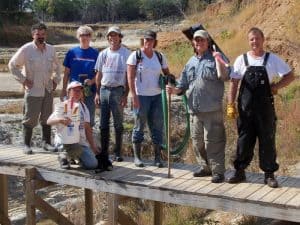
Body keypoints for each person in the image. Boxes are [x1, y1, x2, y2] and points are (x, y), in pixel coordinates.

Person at [226, 27, 295, 188]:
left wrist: (276, 86)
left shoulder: (272, 59)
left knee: (267, 140)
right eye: (251, 39)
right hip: (245, 110)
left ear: (263, 40)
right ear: (248, 41)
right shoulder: (241, 60)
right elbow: (234, 83)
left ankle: (269, 175)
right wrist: (230, 104)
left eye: (257, 38)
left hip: (265, 111)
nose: (254, 42)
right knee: (244, 141)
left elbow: (290, 76)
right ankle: (239, 172)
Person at [166, 30, 230, 183]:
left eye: (202, 40)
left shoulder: (217, 58)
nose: (199, 43)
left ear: (208, 42)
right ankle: (205, 167)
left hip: (212, 109)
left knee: (213, 141)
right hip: (194, 110)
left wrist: (218, 60)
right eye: (196, 40)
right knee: (197, 141)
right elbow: (183, 84)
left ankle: (218, 171)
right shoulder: (191, 62)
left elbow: (225, 77)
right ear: (193, 43)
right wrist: (174, 90)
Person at [8, 22, 61, 154]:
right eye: (38, 34)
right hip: (33, 91)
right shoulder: (26, 49)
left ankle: (46, 143)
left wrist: (56, 80)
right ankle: (26, 145)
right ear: (33, 35)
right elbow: (12, 65)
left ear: (46, 35)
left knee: (47, 117)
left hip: (47, 89)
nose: (41, 36)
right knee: (30, 118)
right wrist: (24, 80)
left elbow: (58, 67)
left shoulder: (51, 49)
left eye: (43, 34)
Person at [127, 30, 171, 168]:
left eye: (151, 40)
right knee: (139, 125)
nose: (148, 42)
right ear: (143, 40)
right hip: (141, 96)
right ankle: (137, 158)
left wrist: (169, 81)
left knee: (157, 127)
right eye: (146, 39)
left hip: (157, 96)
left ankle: (157, 158)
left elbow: (167, 73)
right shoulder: (135, 56)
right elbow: (130, 77)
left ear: (154, 41)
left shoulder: (159, 56)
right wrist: (133, 96)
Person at [94, 26, 131, 162]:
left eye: (115, 35)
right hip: (104, 90)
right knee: (103, 124)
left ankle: (117, 153)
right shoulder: (103, 54)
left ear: (120, 37)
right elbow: (98, 74)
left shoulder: (126, 53)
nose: (112, 38)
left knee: (118, 123)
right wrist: (97, 93)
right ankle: (104, 152)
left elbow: (129, 76)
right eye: (110, 36)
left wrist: (126, 95)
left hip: (118, 90)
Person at [47, 81, 100, 169]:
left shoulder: (84, 107)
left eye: (80, 91)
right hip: (65, 142)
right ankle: (63, 155)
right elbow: (49, 121)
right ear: (68, 92)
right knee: (74, 149)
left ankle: (73, 156)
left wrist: (93, 146)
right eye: (75, 90)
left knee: (92, 164)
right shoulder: (63, 105)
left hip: (80, 142)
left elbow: (87, 128)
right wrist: (60, 120)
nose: (78, 93)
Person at [61, 25, 99, 127]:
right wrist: (63, 89)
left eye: (87, 35)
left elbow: (99, 73)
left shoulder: (95, 53)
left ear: (90, 37)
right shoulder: (71, 52)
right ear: (78, 36)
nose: (84, 37)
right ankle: (73, 138)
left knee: (89, 117)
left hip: (89, 90)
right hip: (74, 90)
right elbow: (66, 73)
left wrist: (91, 82)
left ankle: (88, 139)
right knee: (73, 116)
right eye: (82, 35)